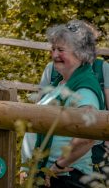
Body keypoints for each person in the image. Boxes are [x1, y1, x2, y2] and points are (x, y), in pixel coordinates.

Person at [21, 20, 104, 188]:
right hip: (51, 175)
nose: (54, 55)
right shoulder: (61, 83)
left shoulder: (84, 89)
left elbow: (87, 136)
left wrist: (59, 165)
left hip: (66, 178)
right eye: (53, 49)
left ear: (80, 53)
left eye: (61, 50)